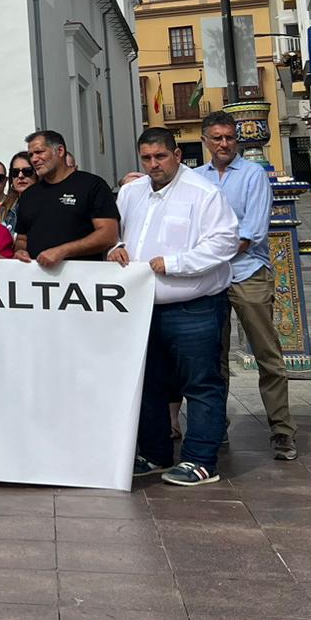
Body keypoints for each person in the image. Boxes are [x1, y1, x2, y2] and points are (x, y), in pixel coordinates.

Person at [109, 127, 240, 488]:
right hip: (142, 307)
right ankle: (154, 453)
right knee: (148, 383)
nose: (154, 165)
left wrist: (175, 263)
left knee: (200, 383)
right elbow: (113, 230)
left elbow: (225, 242)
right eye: (147, 158)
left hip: (193, 306)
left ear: (177, 155)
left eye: (161, 157)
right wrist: (115, 246)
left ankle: (200, 460)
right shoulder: (131, 192)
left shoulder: (203, 193)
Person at [197, 111, 297, 462]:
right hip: (209, 279)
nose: (224, 144)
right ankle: (214, 426)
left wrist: (205, 254)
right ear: (206, 141)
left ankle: (282, 429)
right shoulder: (195, 178)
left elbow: (251, 231)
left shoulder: (253, 174)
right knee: (213, 357)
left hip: (247, 272)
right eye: (217, 138)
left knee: (267, 354)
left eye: (229, 137)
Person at [13, 130, 120, 268]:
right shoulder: (29, 195)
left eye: (39, 152)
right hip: (39, 282)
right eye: (31, 155)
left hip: (82, 280)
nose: (34, 159)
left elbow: (108, 234)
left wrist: (63, 251)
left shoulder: (92, 185)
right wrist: (20, 251)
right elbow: (22, 238)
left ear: (60, 151)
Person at [1, 151, 35, 230]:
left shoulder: (47, 206)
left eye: (27, 171)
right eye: (15, 172)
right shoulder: (4, 209)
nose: (20, 176)